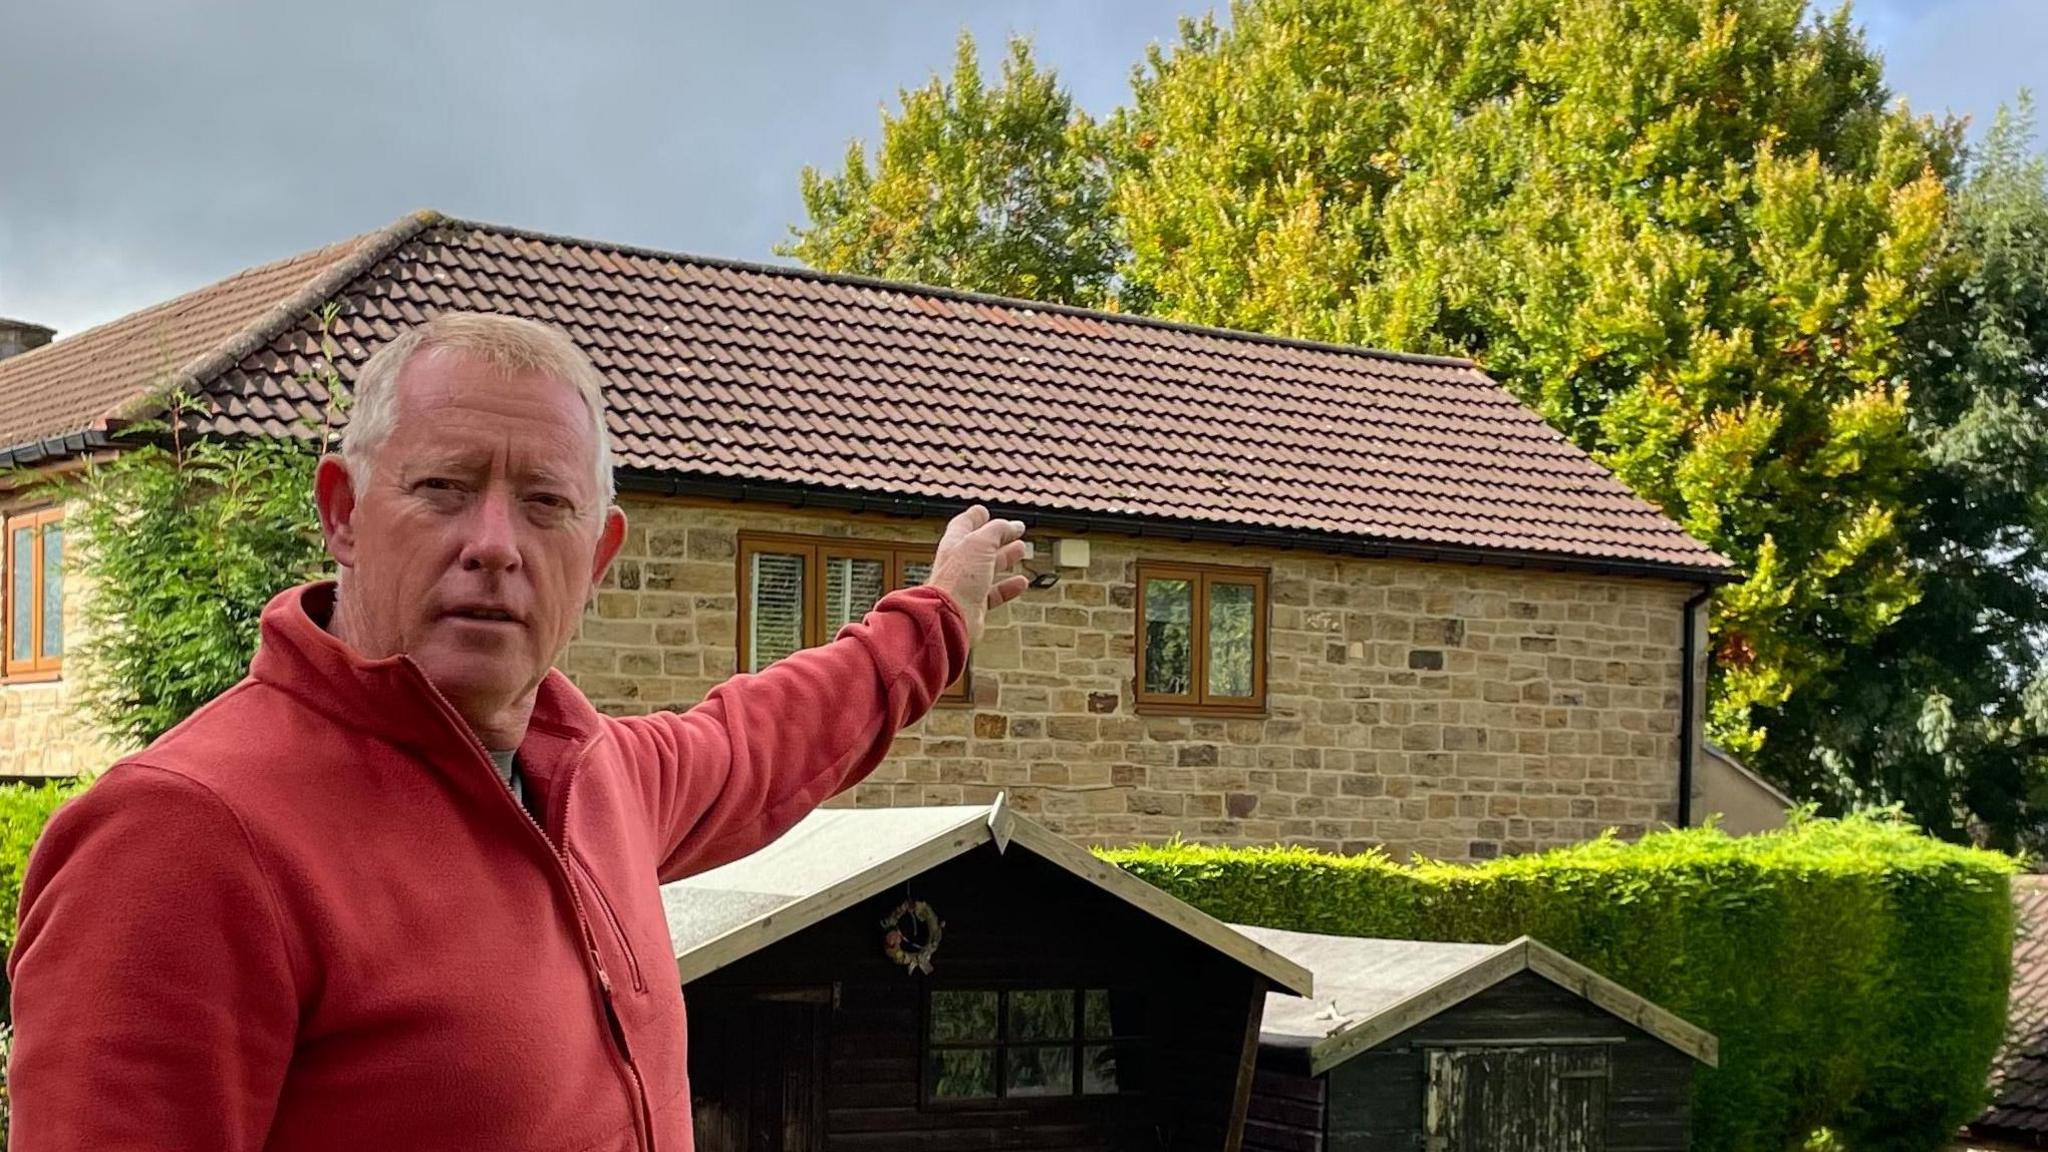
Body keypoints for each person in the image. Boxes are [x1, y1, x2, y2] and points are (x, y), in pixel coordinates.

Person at [5, 312, 1028, 1151]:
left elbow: (772, 735)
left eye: (545, 505)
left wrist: (940, 615)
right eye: (443, 488)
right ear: (342, 512)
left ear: (598, 555)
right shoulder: (182, 841)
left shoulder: (599, 783)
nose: (494, 546)